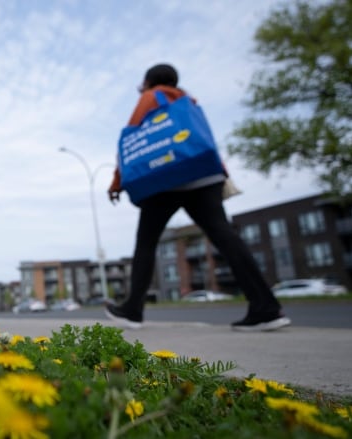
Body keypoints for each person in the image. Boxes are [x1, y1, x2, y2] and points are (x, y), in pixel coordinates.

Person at [104, 63, 291, 332]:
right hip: (204, 176)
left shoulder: (149, 97)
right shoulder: (188, 102)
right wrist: (221, 174)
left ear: (147, 82)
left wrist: (117, 180)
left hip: (166, 178)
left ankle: (133, 309)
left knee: (146, 243)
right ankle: (265, 307)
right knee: (225, 237)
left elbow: (132, 141)